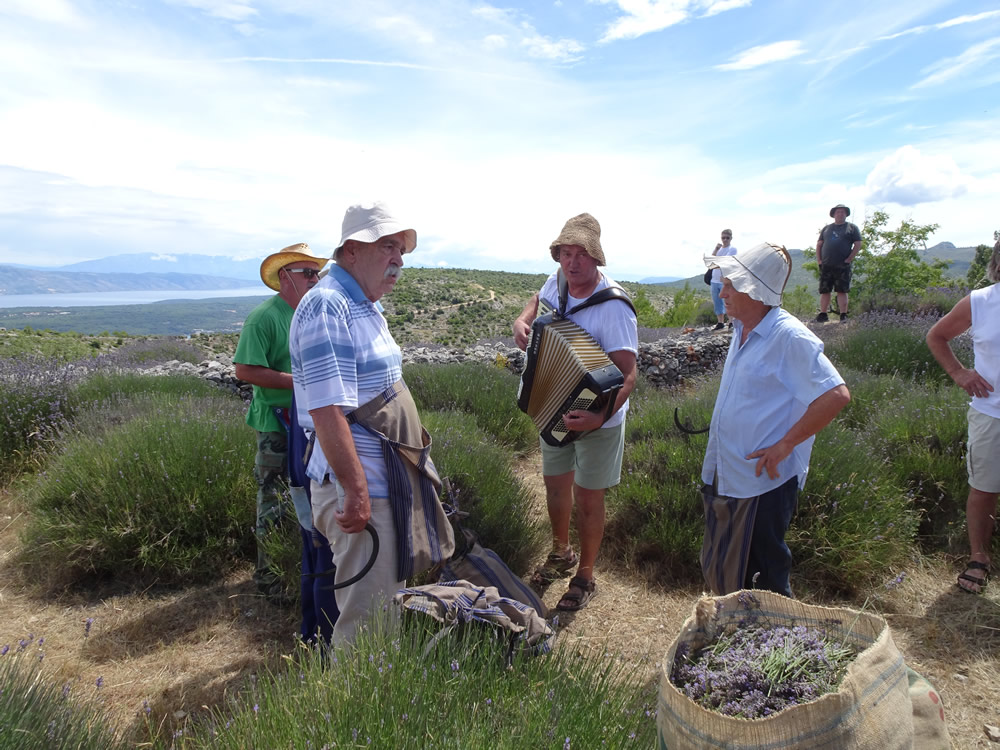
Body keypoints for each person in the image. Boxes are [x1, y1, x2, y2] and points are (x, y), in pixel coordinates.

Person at [290, 201, 451, 646]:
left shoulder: (363, 304)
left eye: (401, 250)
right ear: (352, 250)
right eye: (388, 247)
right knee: (367, 630)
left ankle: (374, 685)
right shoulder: (328, 306)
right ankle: (355, 692)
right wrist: (356, 492)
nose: (399, 260)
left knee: (383, 614)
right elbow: (326, 410)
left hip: (386, 485)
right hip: (365, 494)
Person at [700, 242, 850, 597]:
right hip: (733, 469)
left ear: (756, 291)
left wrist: (785, 445)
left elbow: (836, 395)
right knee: (728, 567)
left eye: (731, 285)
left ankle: (777, 630)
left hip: (764, 482)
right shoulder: (742, 326)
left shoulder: (789, 337)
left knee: (765, 575)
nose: (723, 292)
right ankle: (736, 626)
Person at [512, 213, 638, 612]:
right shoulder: (558, 281)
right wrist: (522, 319)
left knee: (588, 497)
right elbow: (537, 298)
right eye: (566, 253)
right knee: (554, 485)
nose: (572, 262)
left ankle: (585, 575)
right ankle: (560, 551)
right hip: (552, 406)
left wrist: (599, 417)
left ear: (596, 257)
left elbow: (628, 375)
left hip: (600, 419)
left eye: (581, 254)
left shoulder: (614, 307)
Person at [233, 243, 325, 602]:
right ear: (285, 276)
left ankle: (300, 569)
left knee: (306, 498)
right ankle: (269, 580)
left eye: (317, 273)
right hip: (276, 424)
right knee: (274, 499)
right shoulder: (264, 318)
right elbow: (245, 370)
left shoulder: (309, 313)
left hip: (308, 422)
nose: (315, 279)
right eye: (308, 273)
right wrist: (300, 382)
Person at [926, 239, 1000, 594]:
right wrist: (959, 373)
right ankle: (979, 557)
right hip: (992, 411)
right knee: (984, 488)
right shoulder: (981, 302)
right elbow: (937, 336)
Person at [815, 204, 862, 323]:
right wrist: (819, 260)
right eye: (838, 212)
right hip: (826, 264)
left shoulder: (852, 228)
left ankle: (843, 315)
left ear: (846, 214)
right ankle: (823, 314)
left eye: (842, 212)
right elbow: (819, 244)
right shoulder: (826, 229)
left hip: (842, 265)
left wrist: (849, 258)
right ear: (834, 214)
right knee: (825, 290)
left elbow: (858, 244)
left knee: (842, 290)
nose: (840, 214)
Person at [709, 229, 737, 331]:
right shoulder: (719, 249)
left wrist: (716, 260)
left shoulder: (732, 249)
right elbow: (711, 261)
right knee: (717, 302)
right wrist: (716, 249)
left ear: (731, 238)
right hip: (714, 279)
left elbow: (726, 260)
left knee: (728, 301)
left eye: (727, 238)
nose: (725, 240)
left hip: (725, 280)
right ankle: (720, 322)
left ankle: (731, 322)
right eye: (723, 238)